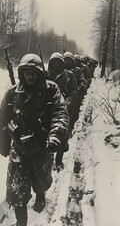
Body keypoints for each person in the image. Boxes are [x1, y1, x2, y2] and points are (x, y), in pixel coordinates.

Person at [0, 53, 69, 226]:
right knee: (16, 191)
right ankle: (21, 221)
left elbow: (60, 113)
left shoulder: (51, 89)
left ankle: (40, 194)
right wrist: (4, 144)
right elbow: (2, 119)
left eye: (33, 72)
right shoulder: (12, 93)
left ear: (39, 72)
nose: (30, 76)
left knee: (40, 180)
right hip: (19, 149)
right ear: (21, 73)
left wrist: (55, 135)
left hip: (42, 147)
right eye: (26, 72)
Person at [47, 52, 78, 172]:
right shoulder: (46, 76)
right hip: (48, 110)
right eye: (53, 63)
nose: (55, 65)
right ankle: (48, 158)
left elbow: (74, 92)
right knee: (48, 134)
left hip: (63, 109)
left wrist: (67, 104)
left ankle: (59, 159)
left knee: (62, 135)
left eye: (58, 63)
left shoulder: (69, 76)